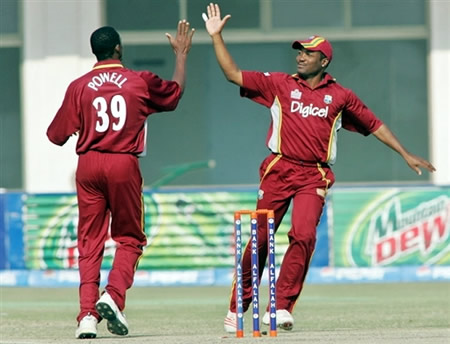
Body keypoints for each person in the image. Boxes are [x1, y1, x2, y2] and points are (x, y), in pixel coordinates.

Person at [202, 3, 436, 333]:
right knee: (260, 240)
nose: (300, 56)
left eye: (308, 53)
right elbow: (233, 75)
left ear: (323, 60)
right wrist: (216, 37)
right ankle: (238, 306)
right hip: (279, 168)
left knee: (304, 234)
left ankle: (280, 306)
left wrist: (405, 153)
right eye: (299, 51)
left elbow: (374, 124)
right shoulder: (279, 84)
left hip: (314, 173)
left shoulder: (340, 95)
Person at [47, 22, 195, 339]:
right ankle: (113, 296)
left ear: (94, 52)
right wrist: (181, 55)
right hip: (123, 163)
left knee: (89, 244)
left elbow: (55, 135)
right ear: (118, 49)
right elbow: (175, 94)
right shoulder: (137, 81)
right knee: (130, 238)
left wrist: (82, 126)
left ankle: (86, 317)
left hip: (87, 166)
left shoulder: (79, 86)